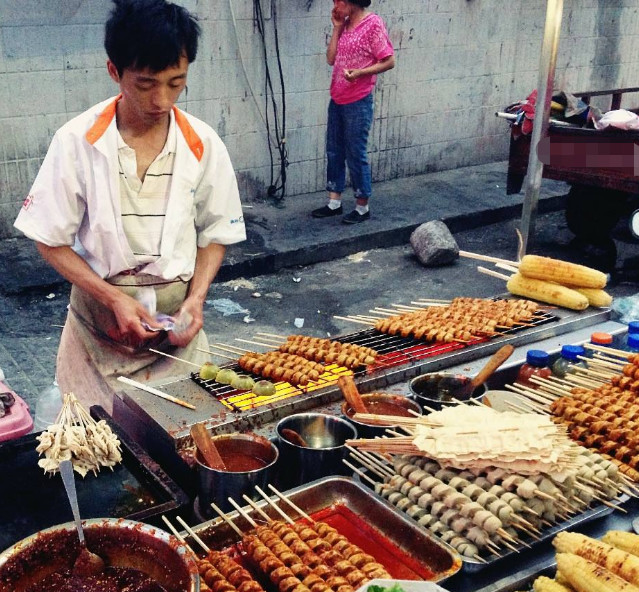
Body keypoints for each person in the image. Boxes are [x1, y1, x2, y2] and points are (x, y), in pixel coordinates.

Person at [14, 0, 246, 414]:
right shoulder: (76, 141)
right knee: (95, 453)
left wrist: (196, 300)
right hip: (96, 336)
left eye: (176, 83)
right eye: (145, 84)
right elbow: (49, 241)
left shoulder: (203, 144)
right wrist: (113, 298)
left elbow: (215, 233)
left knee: (185, 442)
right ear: (114, 71)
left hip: (177, 340)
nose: (162, 100)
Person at [312, 0, 395, 224]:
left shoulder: (372, 24)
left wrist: (360, 73)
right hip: (337, 97)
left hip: (358, 100)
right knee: (334, 150)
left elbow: (389, 60)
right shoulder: (345, 25)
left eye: (339, 1)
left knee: (355, 153)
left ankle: (362, 206)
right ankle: (334, 202)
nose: (335, 5)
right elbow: (330, 59)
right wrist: (337, 27)